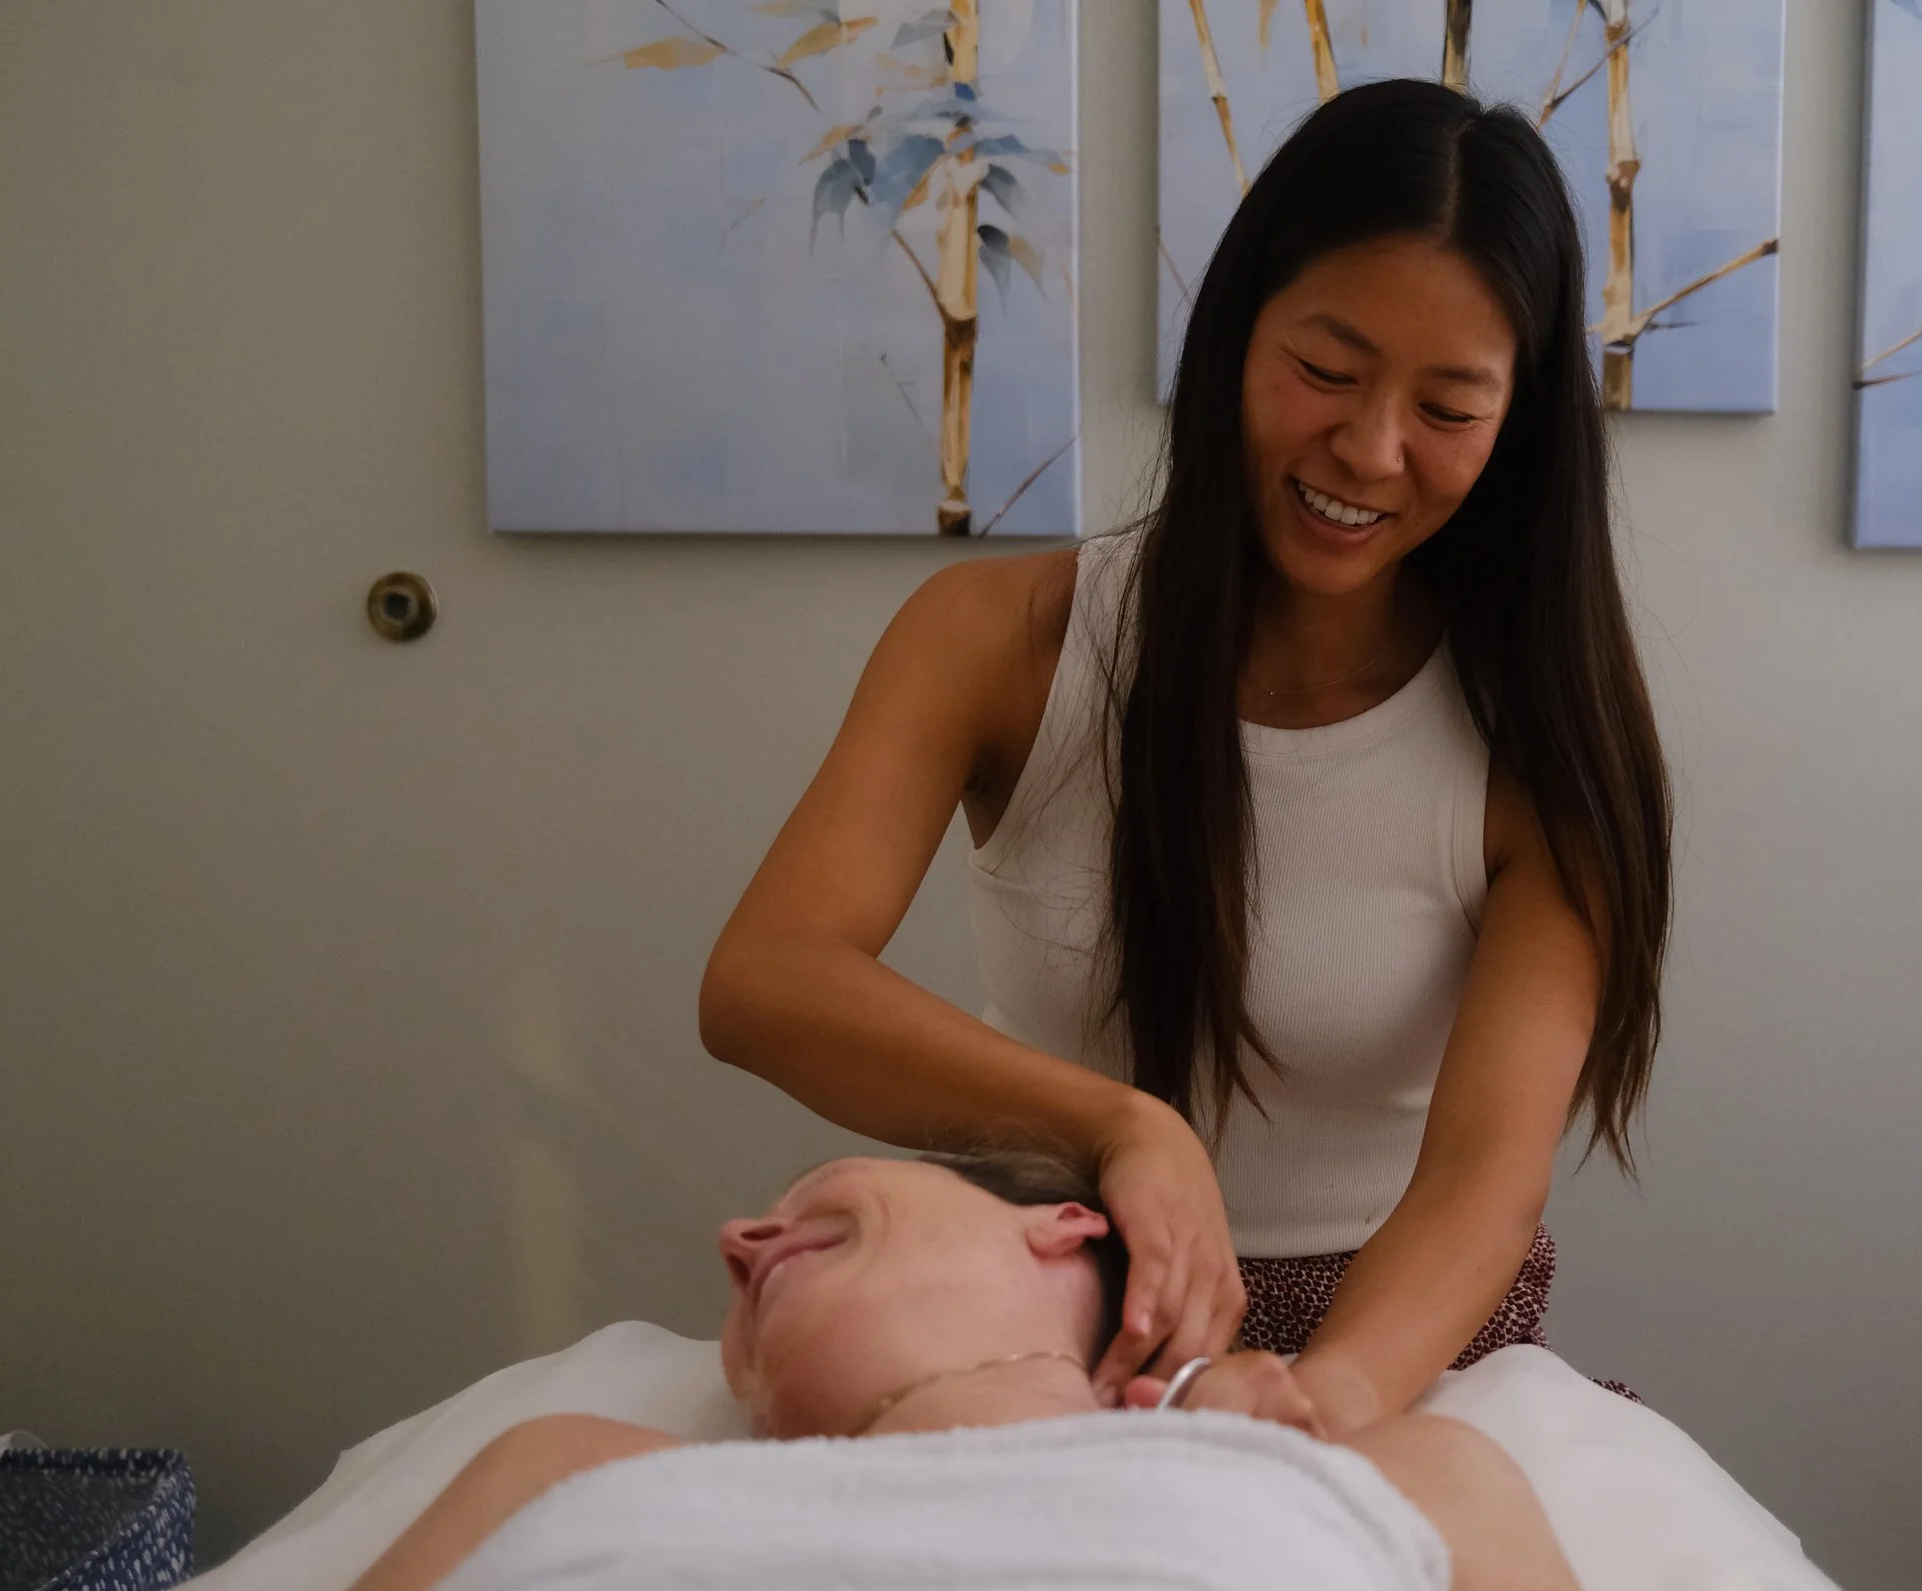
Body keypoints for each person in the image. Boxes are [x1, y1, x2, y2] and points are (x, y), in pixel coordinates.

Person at [700, 77, 1671, 1435]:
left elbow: (1481, 1186)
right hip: (1043, 1289)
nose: (1371, 448)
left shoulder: (1543, 737)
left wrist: (1323, 1394)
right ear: (1230, 334)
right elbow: (764, 979)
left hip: (1395, 1337)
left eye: (1450, 408)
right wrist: (1120, 1125)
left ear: (1518, 430)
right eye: (1326, 371)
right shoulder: (1002, 639)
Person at [271, 1153, 1623, 1591]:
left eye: (814, 1199)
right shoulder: (564, 1465)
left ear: (1063, 1225)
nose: (741, 1232)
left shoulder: (1384, 1475)